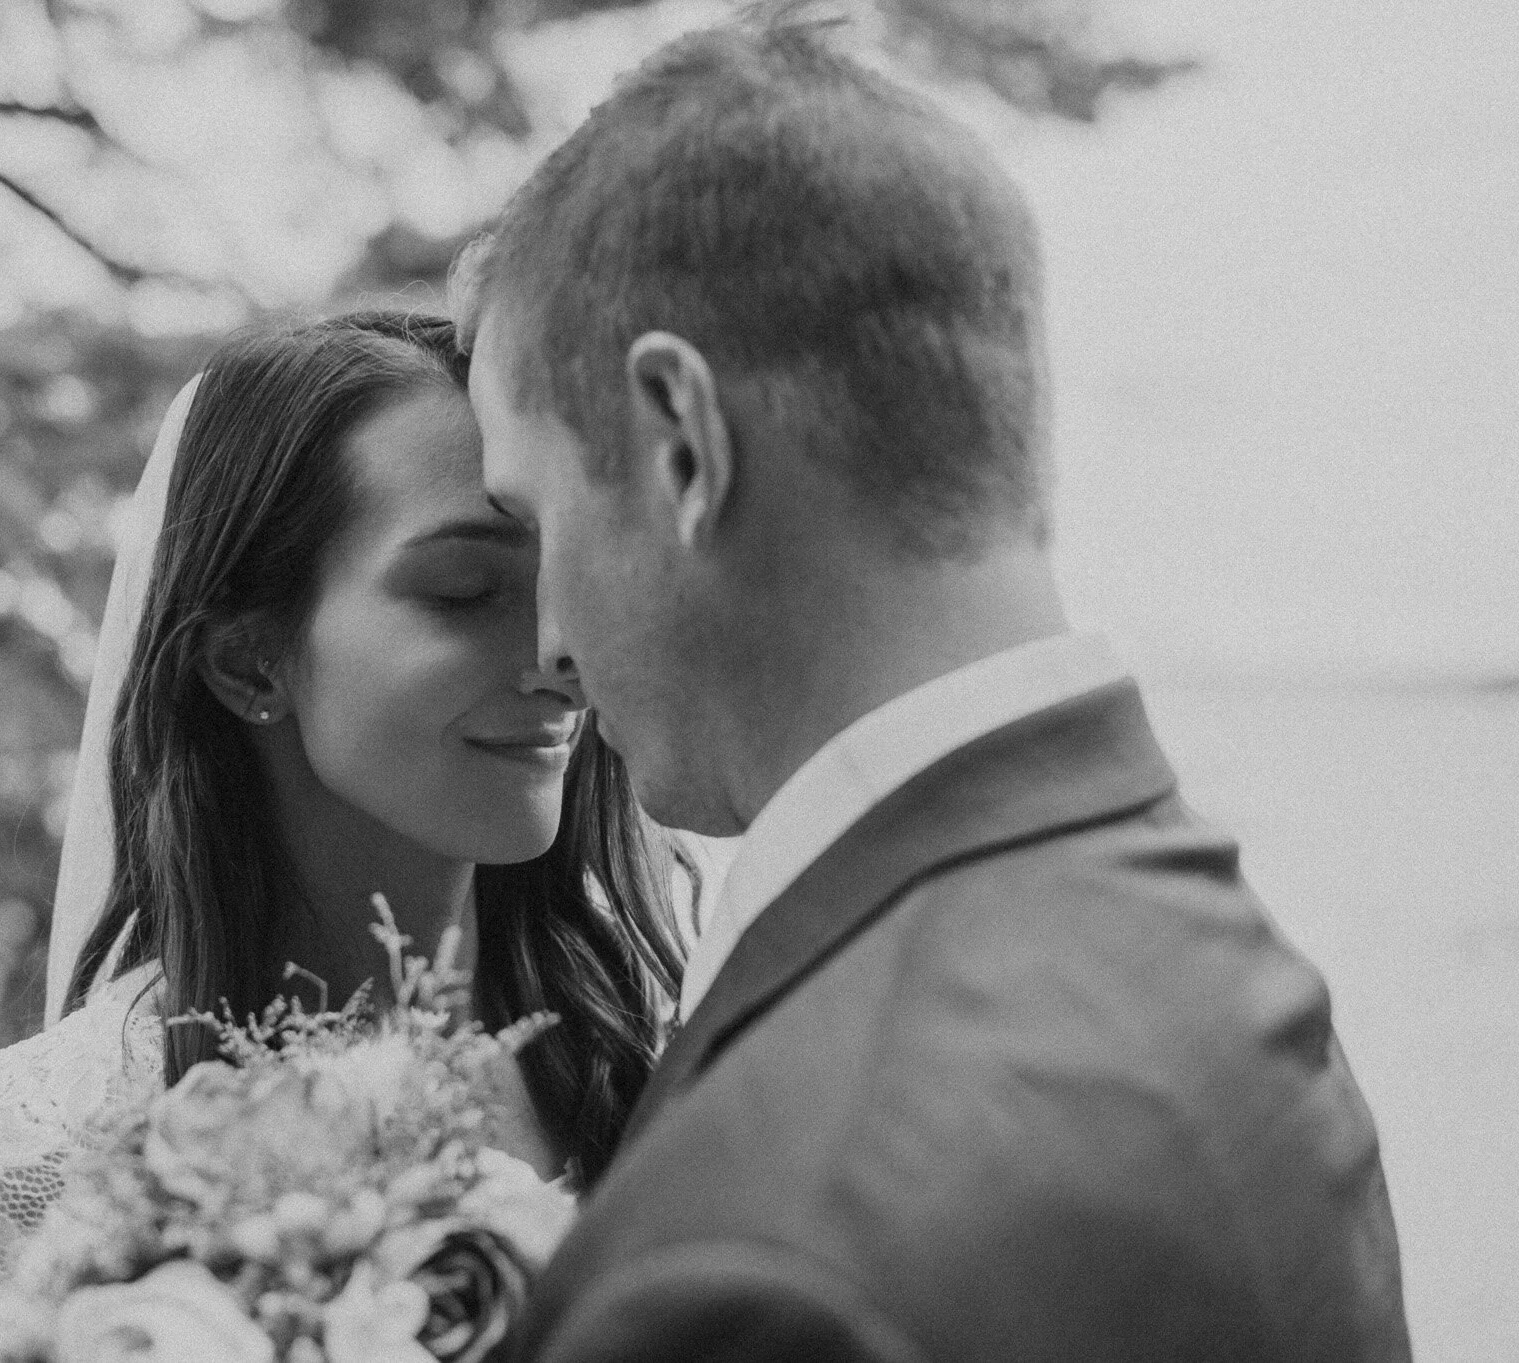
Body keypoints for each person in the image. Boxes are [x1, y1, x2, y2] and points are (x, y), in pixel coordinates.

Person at [457, 17, 1413, 1363]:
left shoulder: (766, 1258)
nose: (551, 641)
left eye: (535, 514)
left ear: (680, 442)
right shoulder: (1216, 949)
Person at [0, 311, 683, 1362]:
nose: (560, 651)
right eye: (466, 591)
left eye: (568, 578)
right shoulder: (37, 1148)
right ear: (248, 661)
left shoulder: (657, 1061)